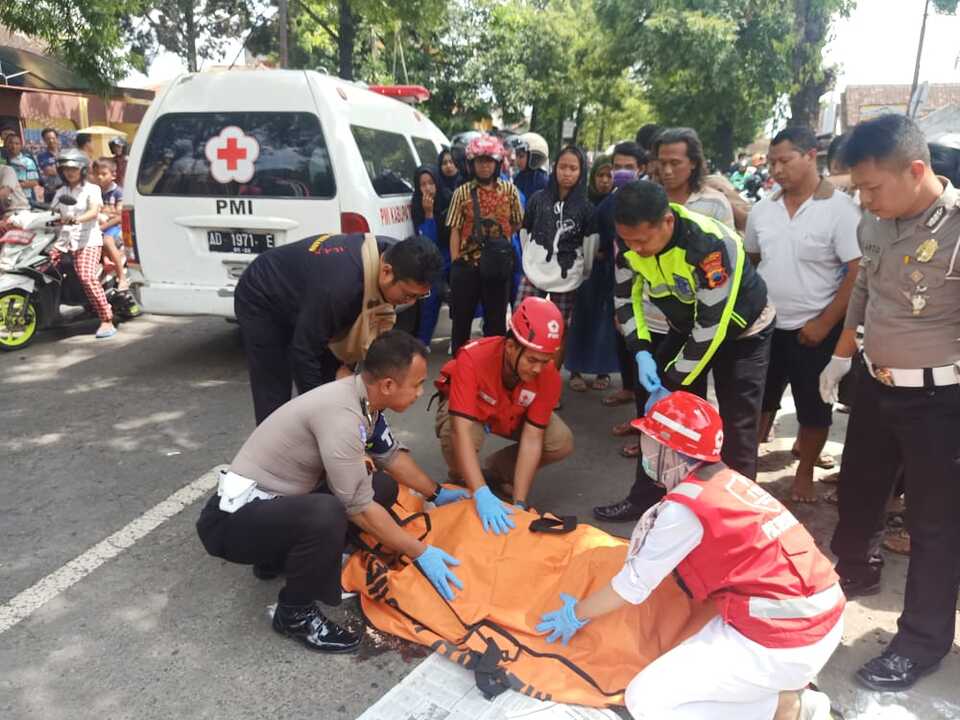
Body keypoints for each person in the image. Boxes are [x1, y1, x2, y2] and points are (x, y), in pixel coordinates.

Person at [538, 391, 843, 720]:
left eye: (650, 441)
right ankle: (783, 701)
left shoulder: (685, 509)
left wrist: (575, 613)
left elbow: (631, 587)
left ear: (670, 451)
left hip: (784, 639)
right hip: (817, 617)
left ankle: (790, 707)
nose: (645, 450)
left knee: (646, 700)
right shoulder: (727, 482)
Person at [196, 330, 470, 653]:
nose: (421, 393)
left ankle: (283, 558)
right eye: (418, 384)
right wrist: (420, 551)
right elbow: (359, 507)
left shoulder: (363, 400)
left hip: (273, 505)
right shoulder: (343, 417)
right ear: (387, 385)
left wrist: (437, 493)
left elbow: (391, 456)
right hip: (231, 521)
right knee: (329, 514)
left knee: (381, 486)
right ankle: (294, 613)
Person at [818, 113, 960, 691]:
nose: (865, 200)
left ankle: (922, 642)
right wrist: (841, 355)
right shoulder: (874, 223)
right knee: (859, 489)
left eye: (872, 187)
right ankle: (855, 570)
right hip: (876, 385)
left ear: (916, 170)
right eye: (858, 189)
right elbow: (866, 289)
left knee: (935, 523)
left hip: (940, 400)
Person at [613, 181, 773, 481]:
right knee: (661, 419)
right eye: (627, 240)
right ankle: (647, 498)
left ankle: (732, 505)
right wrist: (641, 352)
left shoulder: (708, 245)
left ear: (667, 221)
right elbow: (624, 299)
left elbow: (711, 326)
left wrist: (673, 381)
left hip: (743, 330)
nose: (635, 249)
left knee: (737, 424)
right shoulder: (628, 238)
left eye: (642, 241)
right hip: (686, 324)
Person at [744, 126, 861, 503]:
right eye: (772, 162)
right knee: (757, 401)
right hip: (765, 326)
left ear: (811, 156)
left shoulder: (841, 210)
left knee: (814, 408)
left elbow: (857, 272)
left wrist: (825, 323)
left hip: (816, 329)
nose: (776, 170)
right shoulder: (763, 209)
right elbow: (752, 260)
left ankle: (805, 470)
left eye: (785, 160)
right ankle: (746, 466)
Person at [234, 233, 442, 425]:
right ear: (386, 271)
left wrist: (342, 372)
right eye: (408, 294)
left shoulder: (397, 255)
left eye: (419, 296)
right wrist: (320, 416)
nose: (411, 302)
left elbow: (343, 342)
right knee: (276, 390)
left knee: (338, 383)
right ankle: (273, 446)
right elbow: (304, 353)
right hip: (264, 296)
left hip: (311, 299)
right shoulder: (342, 287)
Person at [433, 297, 574, 527]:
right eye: (532, 359)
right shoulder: (473, 358)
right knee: (458, 437)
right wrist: (480, 493)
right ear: (510, 347)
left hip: (511, 412)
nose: (538, 369)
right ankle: (462, 477)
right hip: (471, 413)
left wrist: (520, 502)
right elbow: (460, 430)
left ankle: (496, 471)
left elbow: (533, 437)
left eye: (546, 360)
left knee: (561, 441)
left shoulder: (547, 375)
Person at [518, 144, 597, 369]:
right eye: (563, 167)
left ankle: (549, 379)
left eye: (573, 168)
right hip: (533, 272)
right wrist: (529, 259)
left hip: (567, 277)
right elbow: (525, 231)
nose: (567, 173)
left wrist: (584, 271)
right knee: (523, 320)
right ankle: (520, 372)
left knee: (558, 328)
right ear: (555, 168)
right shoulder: (538, 199)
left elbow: (590, 242)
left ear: (581, 172)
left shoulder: (586, 207)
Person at [445, 135, 523, 354]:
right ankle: (459, 365)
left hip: (498, 265)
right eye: (480, 161)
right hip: (467, 265)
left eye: (489, 161)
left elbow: (517, 222)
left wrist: (500, 242)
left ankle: (493, 364)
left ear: (497, 163)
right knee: (461, 321)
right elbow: (454, 229)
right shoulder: (461, 193)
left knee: (496, 323)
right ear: (471, 164)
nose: (485, 166)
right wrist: (456, 262)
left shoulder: (509, 191)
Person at [566, 154, 619, 392]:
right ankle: (575, 370)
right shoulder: (581, 201)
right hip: (581, 270)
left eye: (609, 175)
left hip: (608, 271)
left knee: (605, 321)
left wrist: (605, 252)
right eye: (600, 175)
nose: (605, 180)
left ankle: (602, 370)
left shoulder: (618, 202)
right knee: (580, 318)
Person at [50, 149, 116, 339]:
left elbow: (94, 211)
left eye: (74, 168)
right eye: (66, 169)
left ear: (82, 169)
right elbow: (52, 212)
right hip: (64, 241)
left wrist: (77, 219)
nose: (69, 172)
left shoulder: (92, 189)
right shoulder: (61, 192)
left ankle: (106, 319)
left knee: (87, 277)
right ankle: (53, 313)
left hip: (87, 240)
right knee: (43, 269)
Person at [653, 127, 735, 228]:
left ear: (693, 163)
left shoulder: (715, 203)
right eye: (662, 163)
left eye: (675, 163)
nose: (667, 171)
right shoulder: (648, 201)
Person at [410, 165, 452, 348]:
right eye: (423, 184)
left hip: (451, 254)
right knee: (429, 298)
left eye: (431, 183)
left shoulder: (448, 198)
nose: (427, 188)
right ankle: (423, 342)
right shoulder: (417, 205)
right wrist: (428, 214)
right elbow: (428, 241)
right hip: (432, 259)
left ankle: (459, 337)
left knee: (458, 297)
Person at [92, 157, 130, 291]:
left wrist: (103, 226)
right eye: (97, 174)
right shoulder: (94, 191)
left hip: (115, 228)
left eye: (103, 174)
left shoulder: (118, 192)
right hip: (98, 226)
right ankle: (105, 260)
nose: (99, 177)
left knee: (106, 240)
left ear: (113, 175)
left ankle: (122, 277)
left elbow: (119, 216)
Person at [1, 133, 41, 203]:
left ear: (21, 146)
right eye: (10, 143)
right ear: (6, 145)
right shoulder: (2, 162)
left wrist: (12, 186)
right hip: (5, 200)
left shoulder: (28, 161)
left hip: (24, 198)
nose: (13, 146)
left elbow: (34, 182)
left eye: (17, 144)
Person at [514, 132, 550, 201]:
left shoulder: (542, 180)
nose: (517, 160)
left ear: (533, 157)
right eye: (516, 155)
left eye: (521, 156)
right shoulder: (518, 178)